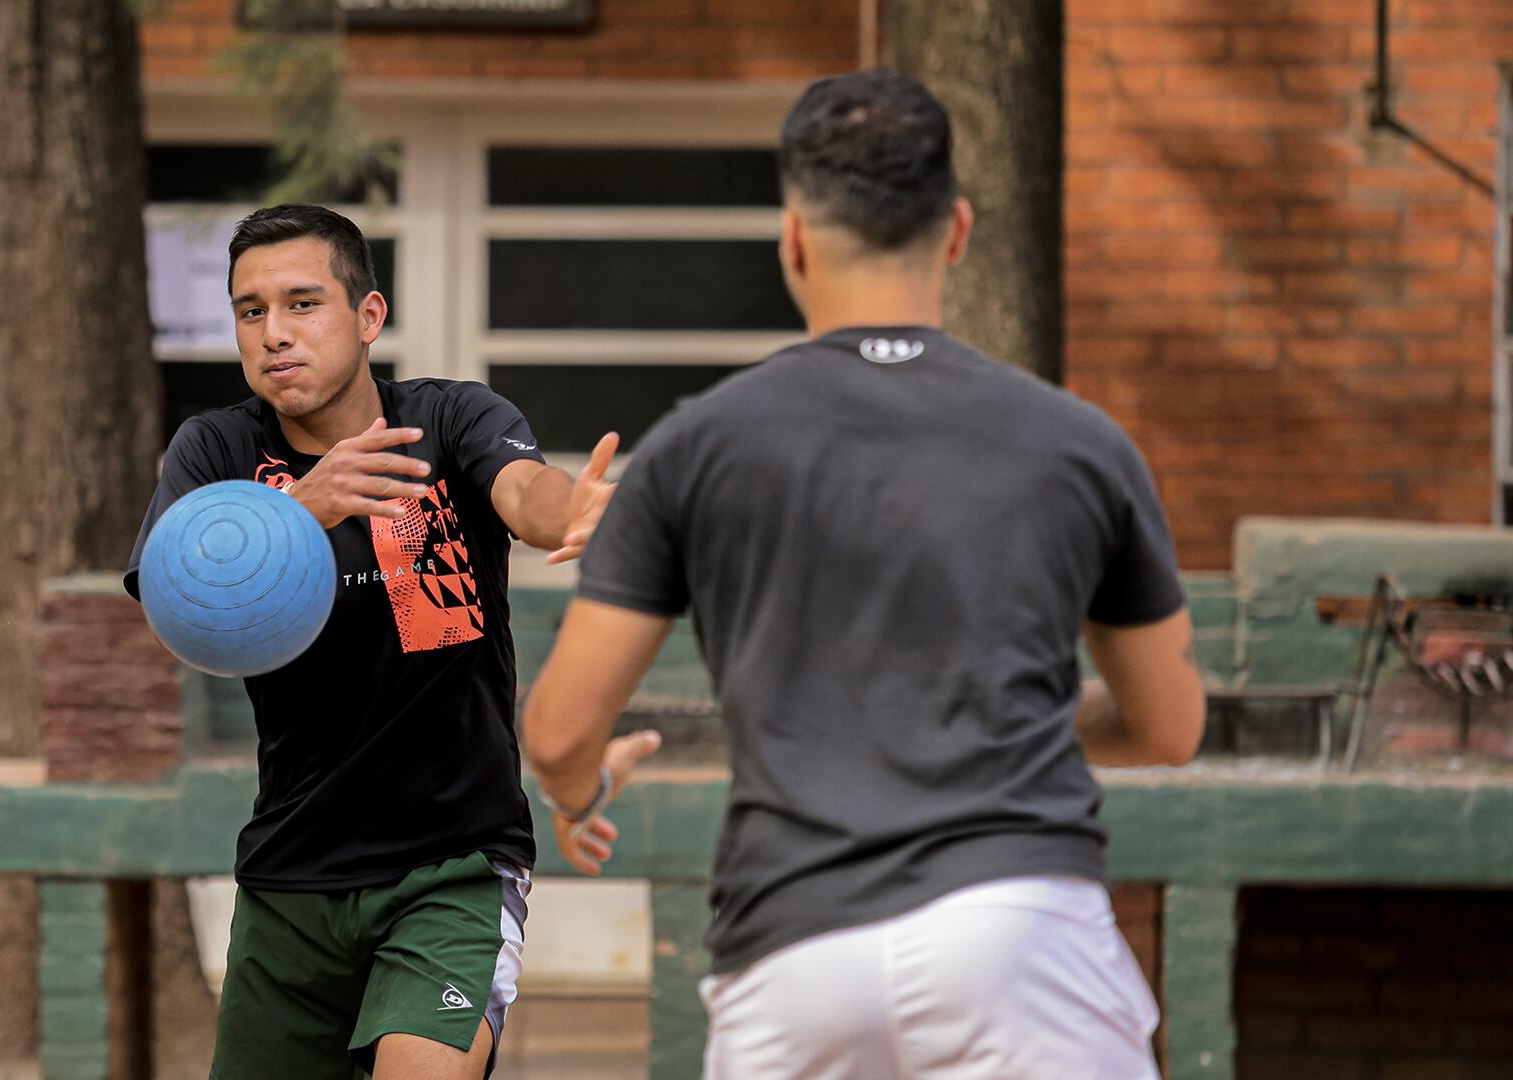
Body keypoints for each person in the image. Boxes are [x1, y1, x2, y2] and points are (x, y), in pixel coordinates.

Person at [521, 69, 1207, 1080]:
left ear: (793, 239)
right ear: (959, 230)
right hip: (1022, 934)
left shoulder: (695, 448)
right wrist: (997, 721)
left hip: (794, 950)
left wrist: (583, 794)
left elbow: (559, 732)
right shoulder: (1081, 446)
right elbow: (1167, 725)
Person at [124, 203, 618, 1080]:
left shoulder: (450, 419)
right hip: (289, 876)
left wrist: (566, 512)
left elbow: (523, 490)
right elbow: (170, 589)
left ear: (368, 316)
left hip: (453, 868)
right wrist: (300, 509)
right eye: (251, 311)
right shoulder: (217, 450)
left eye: (303, 304)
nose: (274, 333)